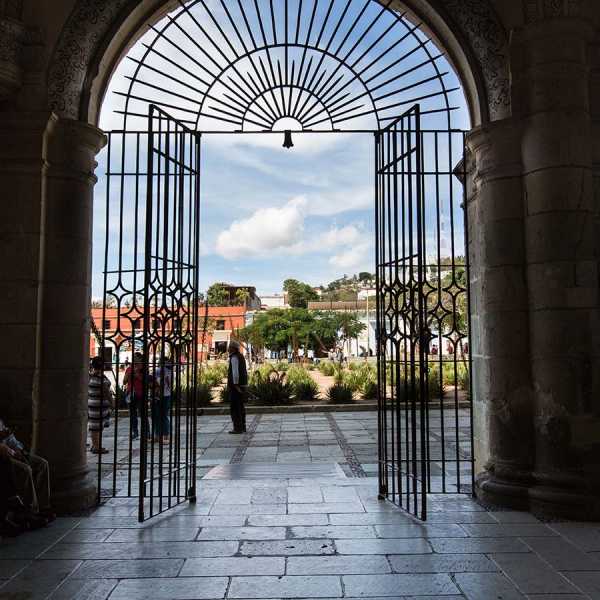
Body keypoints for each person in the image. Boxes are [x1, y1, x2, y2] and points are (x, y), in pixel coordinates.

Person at [0, 418, 54, 523]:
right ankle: (32, 511)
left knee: (42, 464)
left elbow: (12, 440)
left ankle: (44, 506)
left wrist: (19, 449)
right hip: (4, 457)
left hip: (13, 452)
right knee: (25, 470)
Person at [123, 352, 152, 440]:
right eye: (133, 358)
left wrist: (138, 376)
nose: (134, 359)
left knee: (143, 414)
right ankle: (134, 432)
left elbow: (147, 381)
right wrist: (128, 375)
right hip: (130, 393)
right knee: (132, 414)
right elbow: (124, 381)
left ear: (140, 359)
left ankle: (146, 433)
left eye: (136, 357)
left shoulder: (144, 368)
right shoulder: (129, 369)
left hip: (141, 394)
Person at [88, 356, 113, 454]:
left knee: (95, 426)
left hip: (93, 403)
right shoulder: (100, 377)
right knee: (96, 427)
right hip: (98, 404)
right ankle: (97, 447)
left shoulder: (92, 375)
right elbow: (106, 392)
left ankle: (95, 445)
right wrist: (112, 403)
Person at [227, 340, 247, 434]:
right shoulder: (241, 356)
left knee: (235, 408)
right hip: (242, 385)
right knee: (240, 407)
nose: (228, 349)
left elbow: (235, 373)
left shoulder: (234, 357)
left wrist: (235, 385)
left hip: (236, 387)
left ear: (232, 348)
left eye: (229, 347)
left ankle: (237, 428)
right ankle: (242, 426)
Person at [153, 356, 173, 444]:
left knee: (157, 416)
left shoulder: (158, 370)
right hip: (167, 394)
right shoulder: (170, 371)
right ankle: (166, 435)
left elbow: (155, 382)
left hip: (158, 395)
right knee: (164, 416)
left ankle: (158, 435)